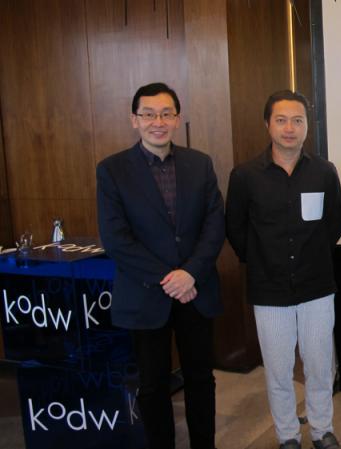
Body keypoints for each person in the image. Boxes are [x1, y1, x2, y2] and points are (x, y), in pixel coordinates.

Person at [96, 82, 225, 449]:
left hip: (196, 291)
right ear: (134, 120)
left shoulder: (199, 164)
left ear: (177, 119)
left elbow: (215, 224)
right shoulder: (112, 170)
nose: (158, 122)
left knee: (201, 379)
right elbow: (116, 238)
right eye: (149, 114)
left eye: (166, 114)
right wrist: (169, 279)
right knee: (152, 385)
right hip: (145, 294)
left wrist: (190, 273)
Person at [225, 90, 341, 449]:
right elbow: (236, 229)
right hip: (269, 289)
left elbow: (334, 224)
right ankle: (287, 434)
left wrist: (311, 257)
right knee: (278, 370)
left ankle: (322, 429)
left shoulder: (324, 172)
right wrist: (263, 261)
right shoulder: (245, 175)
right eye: (281, 120)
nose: (289, 128)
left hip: (316, 286)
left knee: (320, 365)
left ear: (307, 126)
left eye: (297, 120)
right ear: (268, 125)